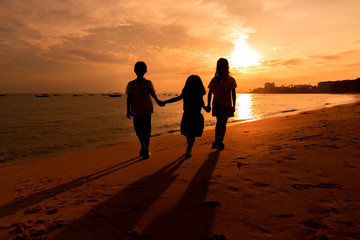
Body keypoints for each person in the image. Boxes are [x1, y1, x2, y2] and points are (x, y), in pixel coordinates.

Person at [163, 75, 209, 158]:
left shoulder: (198, 95)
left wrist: (206, 108)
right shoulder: (187, 93)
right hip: (190, 116)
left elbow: (202, 104)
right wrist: (165, 102)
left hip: (192, 116)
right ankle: (189, 148)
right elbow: (176, 99)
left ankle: (189, 149)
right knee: (189, 135)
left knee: (190, 135)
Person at [126, 61, 164, 159]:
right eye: (138, 70)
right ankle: (143, 146)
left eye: (142, 70)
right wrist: (127, 110)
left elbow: (152, 93)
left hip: (146, 109)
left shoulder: (148, 83)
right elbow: (129, 98)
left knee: (147, 130)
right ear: (135, 71)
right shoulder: (131, 84)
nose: (140, 71)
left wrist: (158, 101)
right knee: (138, 130)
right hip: (135, 110)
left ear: (145, 71)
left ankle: (146, 149)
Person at [206, 58, 237, 150]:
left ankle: (220, 141)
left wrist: (233, 106)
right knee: (219, 122)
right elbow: (210, 93)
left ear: (227, 67)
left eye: (224, 66)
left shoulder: (231, 80)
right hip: (217, 104)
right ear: (218, 67)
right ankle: (217, 141)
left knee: (223, 123)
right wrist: (208, 105)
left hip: (227, 105)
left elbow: (233, 94)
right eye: (221, 66)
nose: (223, 68)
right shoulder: (214, 80)